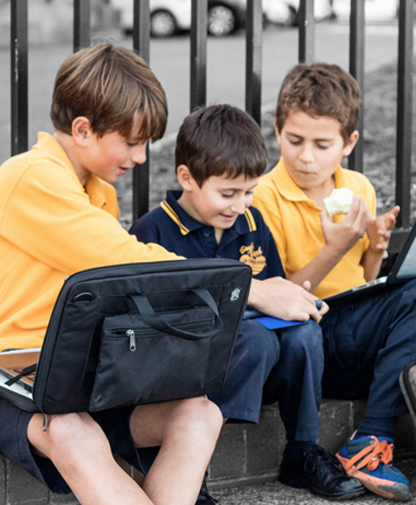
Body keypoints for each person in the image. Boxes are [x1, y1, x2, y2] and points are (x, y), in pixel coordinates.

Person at [252, 63, 416, 501]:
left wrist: (375, 250)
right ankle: (371, 437)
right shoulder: (265, 197)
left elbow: (365, 281)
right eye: (294, 140)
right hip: (312, 342)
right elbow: (277, 302)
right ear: (276, 131)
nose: (306, 156)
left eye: (322, 144)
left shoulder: (357, 186)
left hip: (355, 331)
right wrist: (334, 248)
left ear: (348, 143)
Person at [0, 43, 226, 505]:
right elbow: (122, 262)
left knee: (199, 416)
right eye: (132, 142)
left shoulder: (96, 191)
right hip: (15, 381)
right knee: (72, 434)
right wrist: (246, 286)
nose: (141, 157)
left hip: (82, 380)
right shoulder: (31, 177)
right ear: (82, 130)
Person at [129, 104, 365, 500]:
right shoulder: (153, 231)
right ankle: (187, 468)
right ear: (186, 178)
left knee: (302, 333)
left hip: (256, 363)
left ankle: (302, 450)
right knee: (255, 339)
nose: (240, 205)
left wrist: (299, 307)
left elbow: (274, 297)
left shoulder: (253, 225)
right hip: (182, 373)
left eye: (249, 191)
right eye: (228, 193)